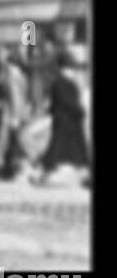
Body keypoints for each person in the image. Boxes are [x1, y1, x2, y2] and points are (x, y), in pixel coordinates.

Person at [35, 51, 90, 186]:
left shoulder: (63, 82)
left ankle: (86, 176)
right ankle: (44, 176)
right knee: (58, 152)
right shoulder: (61, 82)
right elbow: (66, 102)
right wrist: (80, 111)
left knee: (76, 153)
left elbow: (56, 103)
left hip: (70, 123)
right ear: (65, 68)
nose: (73, 71)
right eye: (70, 68)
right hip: (65, 123)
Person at [0, 45, 30, 182]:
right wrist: (16, 117)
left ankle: (7, 169)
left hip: (9, 111)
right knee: (5, 142)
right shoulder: (14, 75)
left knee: (7, 142)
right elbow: (15, 96)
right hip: (11, 112)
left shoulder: (7, 74)